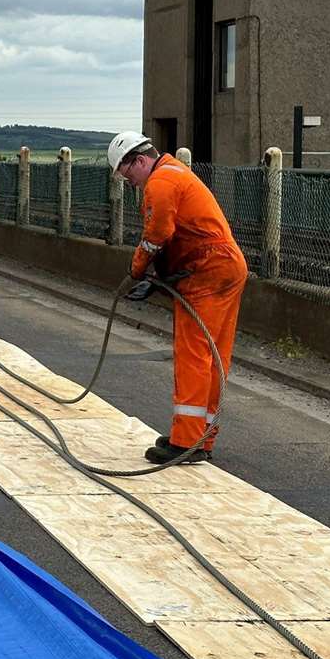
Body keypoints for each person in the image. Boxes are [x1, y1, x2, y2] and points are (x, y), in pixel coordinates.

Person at [108, 131, 247, 465]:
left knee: (194, 354)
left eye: (129, 177)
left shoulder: (160, 182)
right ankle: (202, 436)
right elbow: (179, 234)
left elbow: (156, 235)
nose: (133, 185)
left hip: (206, 271)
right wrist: (161, 276)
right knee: (215, 356)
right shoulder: (177, 173)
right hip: (225, 267)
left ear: (139, 161)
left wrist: (137, 271)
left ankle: (185, 441)